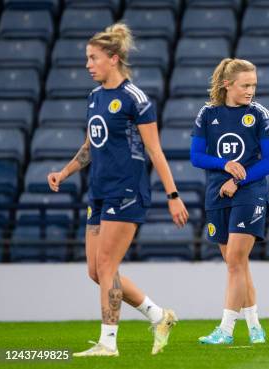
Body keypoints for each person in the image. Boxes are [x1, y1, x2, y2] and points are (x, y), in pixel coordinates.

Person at [47, 23, 189, 357]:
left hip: (126, 191)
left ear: (113, 58)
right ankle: (159, 316)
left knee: (108, 264)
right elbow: (90, 144)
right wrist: (65, 173)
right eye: (87, 58)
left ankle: (108, 343)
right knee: (96, 271)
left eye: (93, 58)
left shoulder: (135, 99)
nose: (88, 64)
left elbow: (155, 151)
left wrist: (173, 196)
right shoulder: (95, 97)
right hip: (98, 191)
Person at [191, 58, 269, 345]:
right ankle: (255, 327)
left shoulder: (260, 114)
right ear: (227, 84)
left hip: (249, 193)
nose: (251, 91)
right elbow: (196, 156)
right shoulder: (207, 113)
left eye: (254, 85)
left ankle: (226, 330)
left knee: (235, 262)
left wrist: (238, 179)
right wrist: (225, 164)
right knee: (237, 264)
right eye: (245, 85)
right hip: (217, 194)